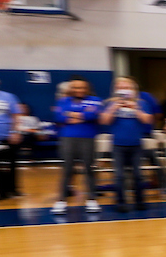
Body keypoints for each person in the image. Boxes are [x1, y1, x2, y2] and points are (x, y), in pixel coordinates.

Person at [100, 77, 154, 211]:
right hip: (118, 144)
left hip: (136, 144)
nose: (124, 90)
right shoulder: (109, 103)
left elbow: (148, 120)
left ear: (133, 90)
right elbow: (104, 121)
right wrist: (114, 107)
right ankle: (121, 202)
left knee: (138, 174)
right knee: (119, 175)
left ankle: (139, 201)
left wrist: (136, 109)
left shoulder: (141, 103)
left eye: (127, 87)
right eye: (120, 87)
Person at [52, 79, 104, 214]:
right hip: (67, 138)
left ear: (87, 89)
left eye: (82, 88)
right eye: (75, 88)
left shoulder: (95, 100)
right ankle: (61, 201)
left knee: (89, 168)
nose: (79, 90)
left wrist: (71, 114)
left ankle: (92, 199)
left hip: (88, 137)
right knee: (67, 169)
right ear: (71, 89)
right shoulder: (63, 100)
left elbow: (93, 114)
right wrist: (82, 116)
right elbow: (58, 116)